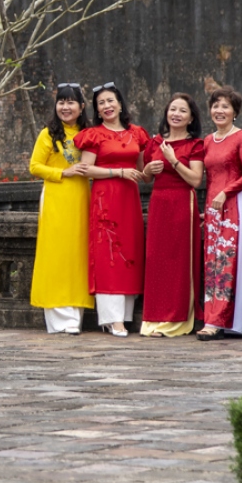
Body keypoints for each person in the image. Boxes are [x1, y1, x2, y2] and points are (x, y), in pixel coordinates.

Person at [73, 82, 149, 337]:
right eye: (101, 103)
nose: (107, 106)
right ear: (96, 109)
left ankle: (124, 316)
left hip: (130, 199)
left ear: (120, 103)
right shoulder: (94, 134)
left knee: (130, 252)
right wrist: (117, 172)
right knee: (108, 255)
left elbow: (142, 171)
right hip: (105, 199)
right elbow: (85, 169)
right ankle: (112, 317)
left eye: (110, 101)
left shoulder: (137, 133)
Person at [28, 83, 92, 334]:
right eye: (61, 102)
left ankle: (75, 316)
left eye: (71, 102)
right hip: (56, 196)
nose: (65, 107)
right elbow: (34, 166)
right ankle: (60, 320)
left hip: (81, 198)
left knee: (77, 255)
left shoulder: (89, 133)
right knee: (56, 254)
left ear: (82, 107)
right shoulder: (48, 133)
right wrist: (63, 172)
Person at [140, 93, 205, 338]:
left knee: (179, 260)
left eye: (182, 111)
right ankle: (154, 316)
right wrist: (147, 170)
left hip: (181, 202)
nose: (176, 114)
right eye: (172, 109)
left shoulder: (195, 145)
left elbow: (196, 180)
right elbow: (145, 178)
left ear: (190, 118)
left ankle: (176, 318)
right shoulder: (155, 142)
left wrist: (174, 161)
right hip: (159, 203)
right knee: (156, 259)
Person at [197, 87, 242, 340]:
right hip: (213, 206)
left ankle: (220, 319)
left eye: (225, 107)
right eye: (215, 106)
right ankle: (211, 316)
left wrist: (227, 192)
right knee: (212, 261)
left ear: (235, 112)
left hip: (234, 203)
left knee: (227, 260)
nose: (219, 111)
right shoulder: (208, 140)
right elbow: (208, 177)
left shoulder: (241, 137)